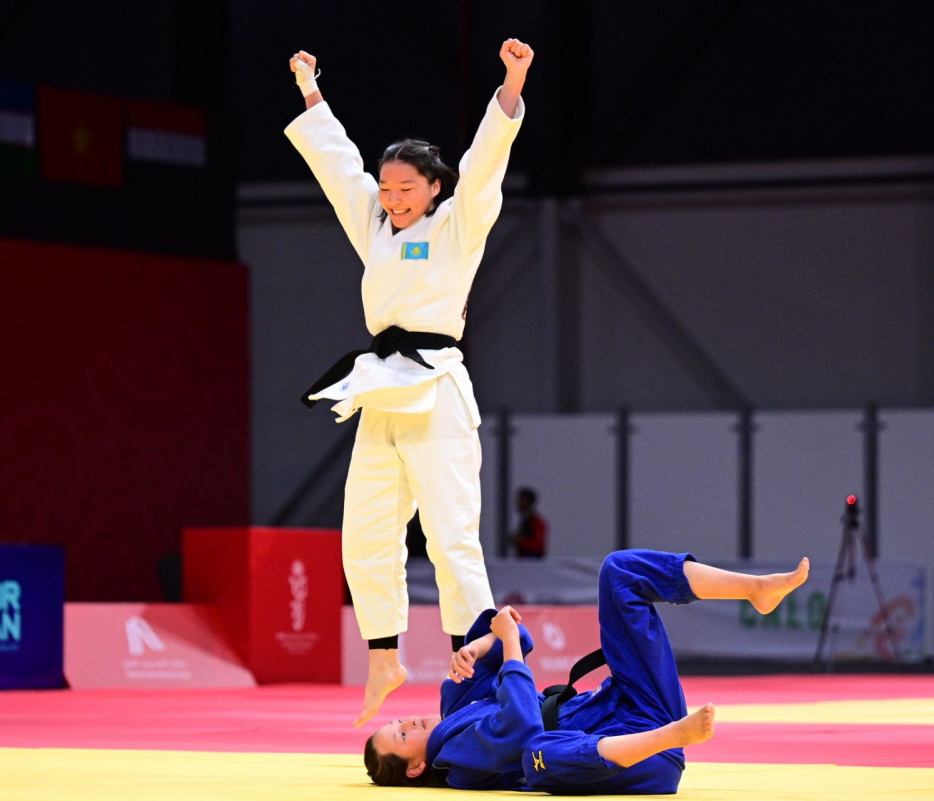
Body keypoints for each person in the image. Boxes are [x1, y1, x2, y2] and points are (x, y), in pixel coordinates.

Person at [285, 38, 534, 728]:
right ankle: (384, 656)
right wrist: (309, 88)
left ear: (434, 189)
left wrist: (511, 83)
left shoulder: (457, 226)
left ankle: (475, 665)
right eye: (387, 188)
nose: (392, 199)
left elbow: (484, 165)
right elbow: (337, 165)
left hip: (438, 389)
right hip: (380, 390)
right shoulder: (374, 223)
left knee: (451, 536)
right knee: (364, 532)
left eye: (406, 189)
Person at [364, 549, 810, 792]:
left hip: (626, 703)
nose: (408, 722)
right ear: (416, 767)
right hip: (636, 754)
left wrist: (480, 644)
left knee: (618, 572)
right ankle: (675, 735)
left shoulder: (455, 702)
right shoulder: (456, 759)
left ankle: (755, 588)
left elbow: (519, 639)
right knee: (537, 756)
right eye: (401, 735)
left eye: (398, 720)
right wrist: (510, 642)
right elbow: (522, 723)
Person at [510, 487, 548, 558]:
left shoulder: (537, 522)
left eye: (520, 500)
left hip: (532, 563)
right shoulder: (525, 522)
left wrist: (519, 540)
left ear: (527, 502)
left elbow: (538, 546)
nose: (517, 503)